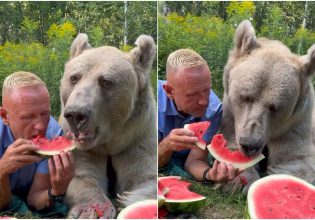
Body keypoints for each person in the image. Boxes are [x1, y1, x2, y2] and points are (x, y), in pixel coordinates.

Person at [158, 49, 242, 183]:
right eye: (192, 95)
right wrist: (166, 146)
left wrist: (210, 174)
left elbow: (194, 160)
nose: (204, 101)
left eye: (207, 90)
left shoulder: (214, 111)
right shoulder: (153, 104)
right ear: (169, 92)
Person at [0, 71, 74, 214]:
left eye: (45, 113)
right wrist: (2, 170)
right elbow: (3, 204)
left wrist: (56, 191)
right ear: (5, 116)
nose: (40, 126)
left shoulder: (53, 133)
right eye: (28, 116)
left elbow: (35, 199)